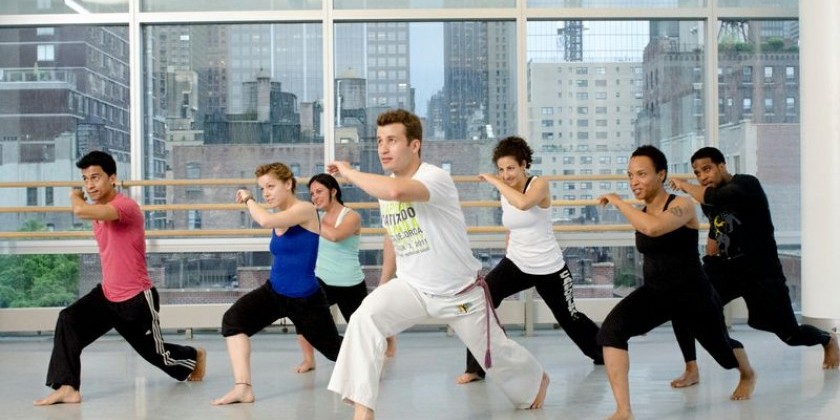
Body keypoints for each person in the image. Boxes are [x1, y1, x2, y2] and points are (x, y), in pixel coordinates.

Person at [326, 109, 549, 420]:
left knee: (496, 354)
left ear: (414, 145)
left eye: (392, 140)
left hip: (459, 292)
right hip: (413, 287)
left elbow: (396, 191)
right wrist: (384, 285)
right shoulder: (384, 186)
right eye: (379, 141)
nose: (383, 148)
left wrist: (348, 172)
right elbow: (393, 237)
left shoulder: (435, 177)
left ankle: (537, 380)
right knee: (365, 317)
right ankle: (363, 412)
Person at [34, 150, 206, 406]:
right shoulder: (98, 210)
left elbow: (81, 212)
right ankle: (68, 387)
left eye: (95, 177)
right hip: (106, 295)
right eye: (85, 179)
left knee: (157, 355)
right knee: (68, 320)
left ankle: (192, 356)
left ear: (112, 178)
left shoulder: (125, 207)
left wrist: (74, 196)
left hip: (136, 300)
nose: (90, 184)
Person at [596, 145, 755, 420]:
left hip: (693, 295)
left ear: (661, 174)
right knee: (611, 331)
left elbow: (653, 228)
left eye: (641, 174)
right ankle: (624, 410)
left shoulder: (683, 204)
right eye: (630, 175)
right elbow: (648, 231)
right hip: (657, 294)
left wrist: (619, 201)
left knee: (723, 353)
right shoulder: (643, 210)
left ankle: (747, 373)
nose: (634, 182)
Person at [668, 146, 839, 388]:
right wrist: (710, 250)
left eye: (706, 169)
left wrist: (685, 186)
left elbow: (718, 199)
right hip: (727, 269)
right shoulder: (710, 196)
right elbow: (717, 224)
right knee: (686, 306)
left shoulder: (747, 185)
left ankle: (827, 339)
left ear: (722, 166)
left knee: (786, 333)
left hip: (761, 272)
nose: (703, 176)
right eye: (697, 173)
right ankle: (692, 369)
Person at [456, 136, 603, 385]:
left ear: (524, 164)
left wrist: (493, 180)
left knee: (569, 316)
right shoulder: (505, 190)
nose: (505, 175)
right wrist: (508, 252)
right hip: (517, 263)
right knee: (481, 301)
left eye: (510, 168)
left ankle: (605, 352)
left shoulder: (539, 184)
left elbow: (523, 204)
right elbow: (513, 226)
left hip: (550, 267)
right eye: (500, 170)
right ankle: (475, 368)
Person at [211, 162, 343, 405]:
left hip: (305, 300)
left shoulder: (305, 209)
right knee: (232, 321)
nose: (266, 193)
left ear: (289, 184)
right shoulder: (279, 214)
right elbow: (271, 221)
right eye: (261, 189)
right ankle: (243, 388)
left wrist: (249, 199)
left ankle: (371, 356)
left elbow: (263, 220)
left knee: (336, 352)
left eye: (271, 186)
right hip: (274, 292)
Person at [294, 173, 368, 373]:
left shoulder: (351, 216)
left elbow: (335, 236)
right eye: (311, 194)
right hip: (323, 280)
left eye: (319, 191)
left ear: (333, 191)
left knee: (363, 327)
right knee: (301, 311)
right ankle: (309, 359)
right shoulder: (319, 218)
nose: (314, 197)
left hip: (350, 283)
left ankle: (386, 342)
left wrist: (308, 218)